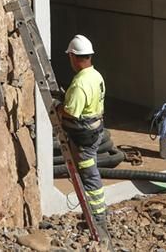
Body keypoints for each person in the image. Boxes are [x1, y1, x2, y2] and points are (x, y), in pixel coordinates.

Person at [61, 34, 108, 231]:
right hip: (96, 131)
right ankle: (98, 213)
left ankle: (97, 217)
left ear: (73, 56)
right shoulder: (96, 76)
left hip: (84, 138)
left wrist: (58, 106)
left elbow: (71, 113)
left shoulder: (80, 84)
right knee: (91, 171)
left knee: (89, 174)